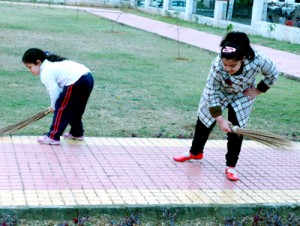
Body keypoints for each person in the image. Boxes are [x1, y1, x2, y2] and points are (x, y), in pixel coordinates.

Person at [173, 32, 279, 181]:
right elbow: (211, 91)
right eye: (225, 64)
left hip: (243, 94)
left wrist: (258, 90)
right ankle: (195, 152)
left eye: (233, 65)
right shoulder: (217, 64)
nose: (228, 68)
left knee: (236, 129)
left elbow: (273, 73)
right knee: (204, 120)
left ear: (243, 58)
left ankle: (231, 165)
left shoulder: (258, 60)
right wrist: (220, 120)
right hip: (219, 92)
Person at [22, 48, 94, 145]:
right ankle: (77, 133)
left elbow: (54, 91)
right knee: (75, 108)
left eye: (30, 67)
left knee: (61, 109)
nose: (29, 70)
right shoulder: (49, 63)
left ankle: (53, 137)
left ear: (38, 62)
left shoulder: (45, 72)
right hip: (87, 77)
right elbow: (60, 91)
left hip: (77, 81)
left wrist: (54, 106)